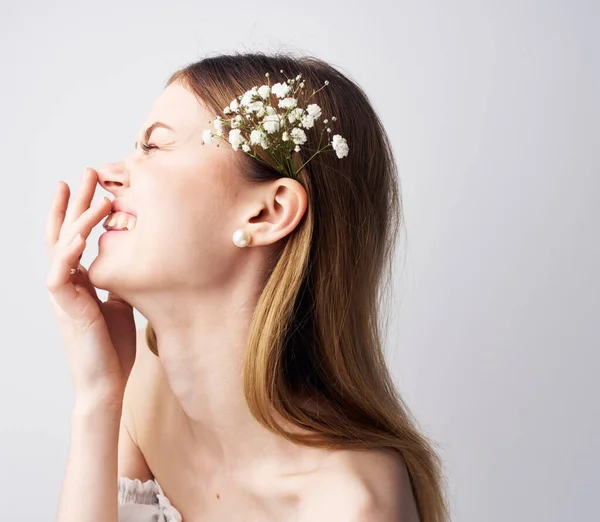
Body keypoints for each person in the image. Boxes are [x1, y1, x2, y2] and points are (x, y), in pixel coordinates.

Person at [45, 52, 450, 522]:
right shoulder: (142, 387)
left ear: (268, 212)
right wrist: (97, 395)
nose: (108, 175)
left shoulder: (350, 505)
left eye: (154, 148)